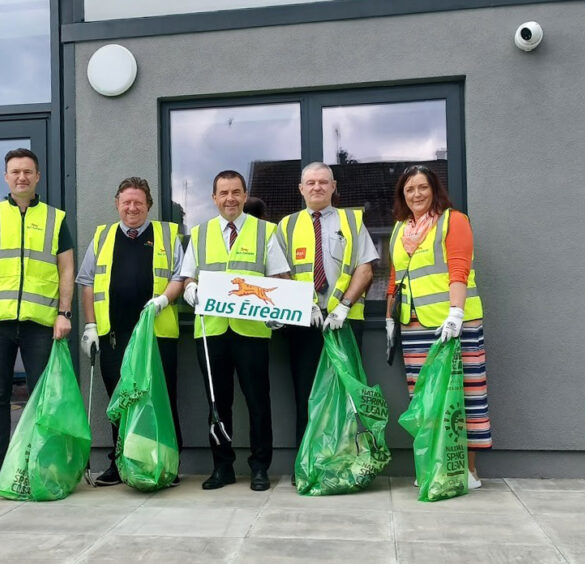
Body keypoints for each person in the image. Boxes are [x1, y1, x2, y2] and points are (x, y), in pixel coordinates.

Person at [0, 148, 74, 495]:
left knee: (42, 398)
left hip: (40, 323)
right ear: (6, 177)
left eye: (28, 172)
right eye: (15, 172)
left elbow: (66, 269)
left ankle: (37, 468)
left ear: (38, 177)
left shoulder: (56, 218)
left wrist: (64, 313)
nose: (22, 177)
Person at [181, 170, 290, 492]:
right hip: (210, 332)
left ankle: (260, 468)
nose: (230, 198)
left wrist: (281, 309)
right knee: (217, 402)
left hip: (252, 332)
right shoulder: (200, 234)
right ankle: (222, 467)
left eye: (236, 192)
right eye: (223, 193)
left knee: (258, 402)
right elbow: (188, 277)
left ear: (244, 196)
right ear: (214, 198)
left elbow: (281, 278)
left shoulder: (265, 232)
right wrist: (190, 291)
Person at [386, 164, 491, 489]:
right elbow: (394, 278)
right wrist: (390, 317)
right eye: (409, 190)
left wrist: (456, 313)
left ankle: (469, 470)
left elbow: (459, 268)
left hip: (453, 325)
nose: (416, 194)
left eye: (422, 188)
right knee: (425, 399)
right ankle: (434, 464)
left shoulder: (453, 221)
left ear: (434, 190)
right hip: (415, 327)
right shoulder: (400, 229)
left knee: (466, 395)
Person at [77, 177, 184, 486]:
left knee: (161, 400)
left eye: (138, 202)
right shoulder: (102, 237)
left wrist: (165, 299)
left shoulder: (166, 234)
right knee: (120, 402)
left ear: (148, 205)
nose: (132, 208)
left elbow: (180, 275)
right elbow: (86, 281)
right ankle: (121, 463)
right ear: (117, 204)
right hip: (113, 336)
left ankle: (166, 464)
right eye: (126, 202)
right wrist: (90, 325)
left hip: (157, 337)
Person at [276, 162, 379, 481]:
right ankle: (306, 467)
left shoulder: (351, 220)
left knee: (346, 394)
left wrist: (344, 306)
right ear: (301, 189)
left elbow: (365, 268)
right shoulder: (287, 225)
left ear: (334, 186)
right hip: (303, 324)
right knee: (305, 394)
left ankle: (345, 464)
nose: (317, 187)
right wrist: (303, 305)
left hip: (344, 323)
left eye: (323, 182)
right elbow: (280, 271)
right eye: (311, 182)